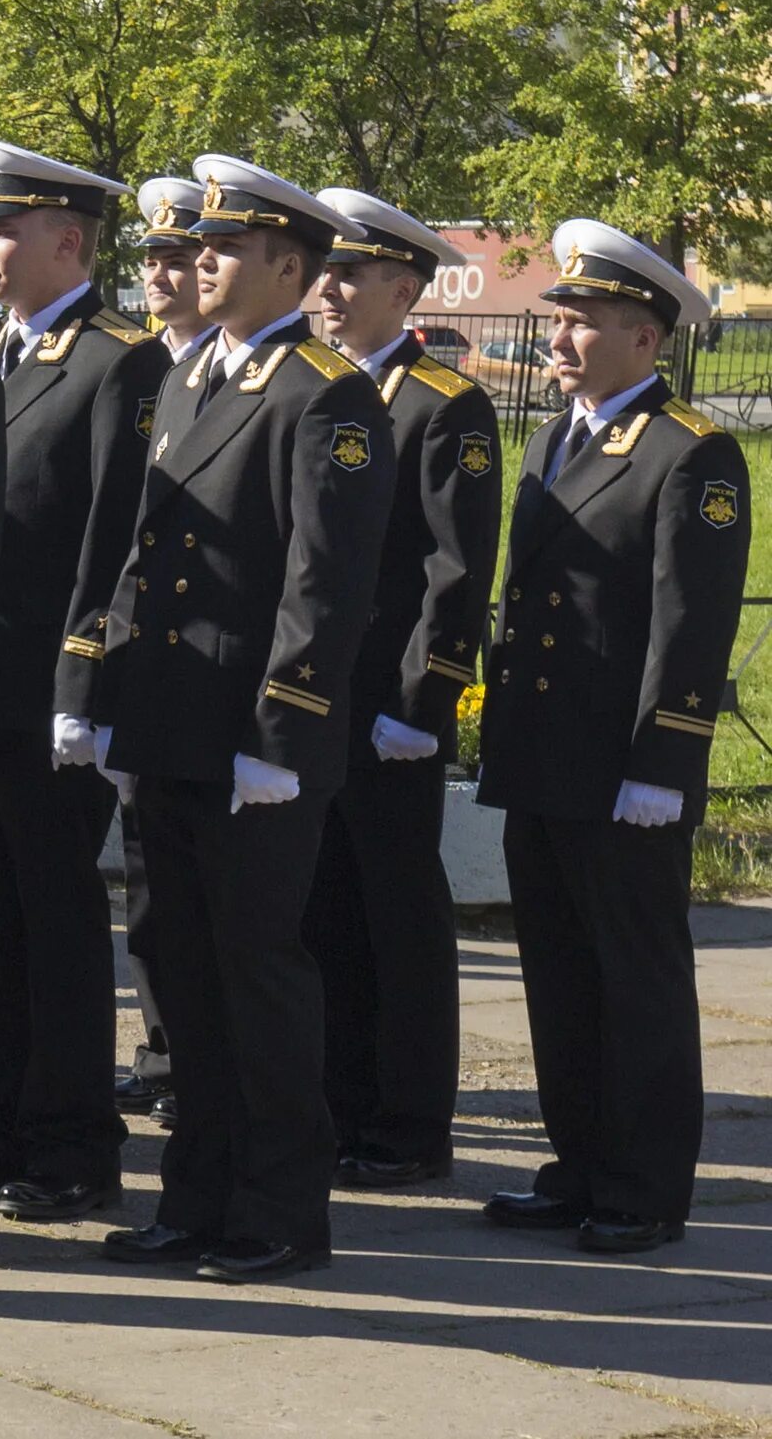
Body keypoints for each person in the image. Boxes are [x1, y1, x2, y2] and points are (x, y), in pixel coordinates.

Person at [74, 154, 396, 1285]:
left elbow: (326, 586)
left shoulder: (327, 394)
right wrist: (104, 696)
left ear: (290, 267)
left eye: (223, 247)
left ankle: (278, 1209)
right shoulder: (190, 377)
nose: (195, 260)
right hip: (166, 724)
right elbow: (138, 555)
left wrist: (284, 728)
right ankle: (197, 1193)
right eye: (196, 244)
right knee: (181, 970)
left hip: (252, 742)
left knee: (258, 975)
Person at [479, 219, 745, 1257]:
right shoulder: (556, 438)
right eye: (559, 320)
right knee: (559, 972)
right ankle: (578, 1163)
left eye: (582, 323)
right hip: (545, 755)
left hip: (623, 766)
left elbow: (691, 624)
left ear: (646, 336)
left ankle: (641, 1185)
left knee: (634, 980)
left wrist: (664, 760)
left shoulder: (693, 453)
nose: (558, 339)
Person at [0, 139, 163, 1227]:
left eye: (2, 227)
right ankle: (2, 1122)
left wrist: (87, 677)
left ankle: (75, 1142)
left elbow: (112, 535)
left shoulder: (118, 358)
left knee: (57, 920)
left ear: (68, 240)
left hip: (49, 693)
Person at [304, 186, 499, 1192]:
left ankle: (412, 1119)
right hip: (316, 702)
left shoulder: (440, 403)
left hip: (388, 711)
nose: (328, 289)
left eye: (349, 273)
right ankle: (340, 1104)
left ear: (405, 284)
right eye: (324, 270)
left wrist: (424, 705)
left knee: (400, 918)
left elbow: (455, 572)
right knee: (325, 912)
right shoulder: (320, 387)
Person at [101, 176, 211, 1119]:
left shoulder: (235, 374)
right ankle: (165, 1052)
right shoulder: (158, 369)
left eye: (183, 259)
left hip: (221, 691)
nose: (168, 275)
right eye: (157, 259)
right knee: (151, 892)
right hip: (147, 674)